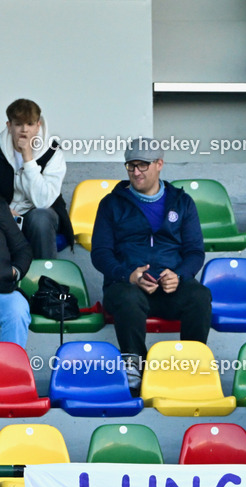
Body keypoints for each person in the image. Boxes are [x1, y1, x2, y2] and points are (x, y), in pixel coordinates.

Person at [90, 138, 211, 390]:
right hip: (126, 287)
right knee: (127, 297)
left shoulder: (182, 201)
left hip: (170, 289)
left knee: (199, 295)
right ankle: (134, 368)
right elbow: (100, 253)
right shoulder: (111, 203)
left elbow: (194, 252)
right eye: (131, 166)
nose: (136, 172)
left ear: (159, 164)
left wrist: (178, 275)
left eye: (142, 165)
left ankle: (191, 366)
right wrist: (127, 275)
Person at [0, 99, 74, 258]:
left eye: (30, 124)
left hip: (40, 212)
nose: (24, 130)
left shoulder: (53, 152)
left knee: (40, 219)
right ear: (9, 126)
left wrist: (28, 159)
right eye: (18, 124)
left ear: (38, 125)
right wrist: (4, 210)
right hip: (6, 211)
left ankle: (45, 273)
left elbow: (43, 201)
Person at [0, 199, 31, 347]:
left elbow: (22, 248)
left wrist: (14, 272)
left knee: (17, 309)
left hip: (2, 289)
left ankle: (9, 362)